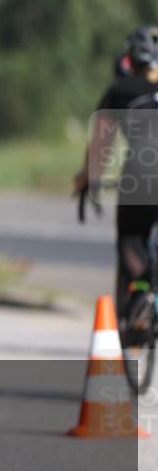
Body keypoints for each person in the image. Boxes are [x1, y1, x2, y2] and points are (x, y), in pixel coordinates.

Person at [74, 24, 158, 336]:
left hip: (142, 172)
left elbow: (101, 143)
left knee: (131, 236)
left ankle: (139, 295)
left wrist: (87, 179)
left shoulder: (122, 90)